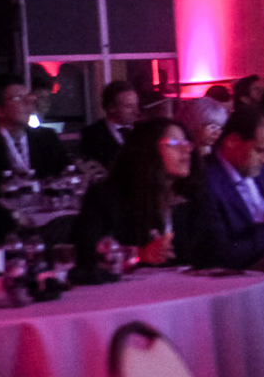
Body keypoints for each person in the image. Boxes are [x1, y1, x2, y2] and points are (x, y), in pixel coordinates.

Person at [72, 118, 197, 277]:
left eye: (186, 143)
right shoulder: (108, 197)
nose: (186, 150)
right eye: (174, 143)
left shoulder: (188, 198)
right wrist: (139, 255)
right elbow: (87, 254)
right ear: (148, 149)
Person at [195, 103, 264, 270]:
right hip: (246, 271)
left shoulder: (260, 171)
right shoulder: (205, 182)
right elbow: (222, 254)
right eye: (261, 151)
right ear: (232, 141)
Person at [80, 80, 142, 169]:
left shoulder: (143, 131)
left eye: (136, 105)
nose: (136, 111)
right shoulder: (92, 134)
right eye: (129, 106)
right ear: (111, 108)